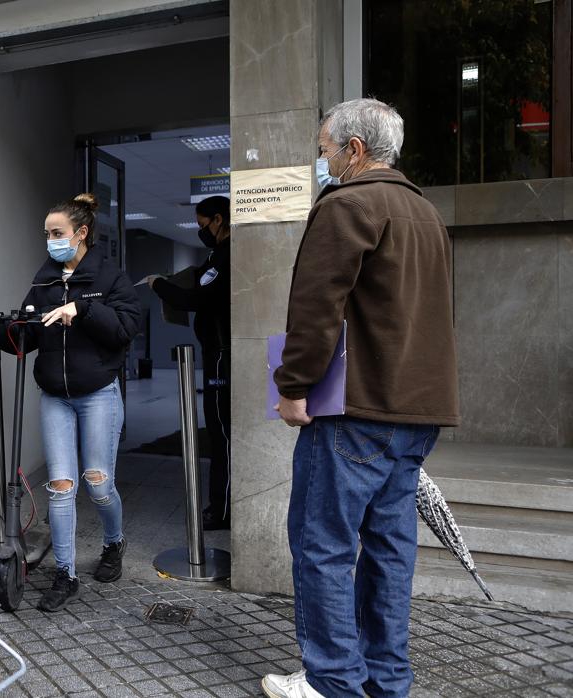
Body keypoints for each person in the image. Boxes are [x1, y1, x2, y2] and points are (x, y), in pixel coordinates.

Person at [265, 98, 458, 698]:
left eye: (325, 150)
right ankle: (384, 679)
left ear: (354, 149)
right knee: (389, 551)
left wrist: (293, 385)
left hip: (354, 410)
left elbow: (316, 308)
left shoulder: (347, 204)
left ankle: (332, 681)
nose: (322, 161)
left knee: (322, 546)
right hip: (415, 410)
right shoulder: (426, 213)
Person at [0, 193, 140, 613]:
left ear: (81, 233)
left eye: (57, 233)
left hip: (98, 393)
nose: (50, 241)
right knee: (61, 488)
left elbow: (125, 329)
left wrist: (82, 309)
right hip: (55, 397)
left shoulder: (110, 277)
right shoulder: (44, 281)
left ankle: (113, 542)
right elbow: (25, 335)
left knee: (98, 483)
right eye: (47, 234)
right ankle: (66, 574)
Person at [150, 194, 231, 530]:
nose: (201, 231)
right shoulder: (217, 255)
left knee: (221, 433)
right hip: (217, 352)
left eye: (202, 224)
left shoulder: (228, 255)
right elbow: (200, 282)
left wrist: (159, 286)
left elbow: (199, 298)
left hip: (222, 355)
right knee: (219, 430)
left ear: (218, 219)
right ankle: (222, 505)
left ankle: (221, 510)